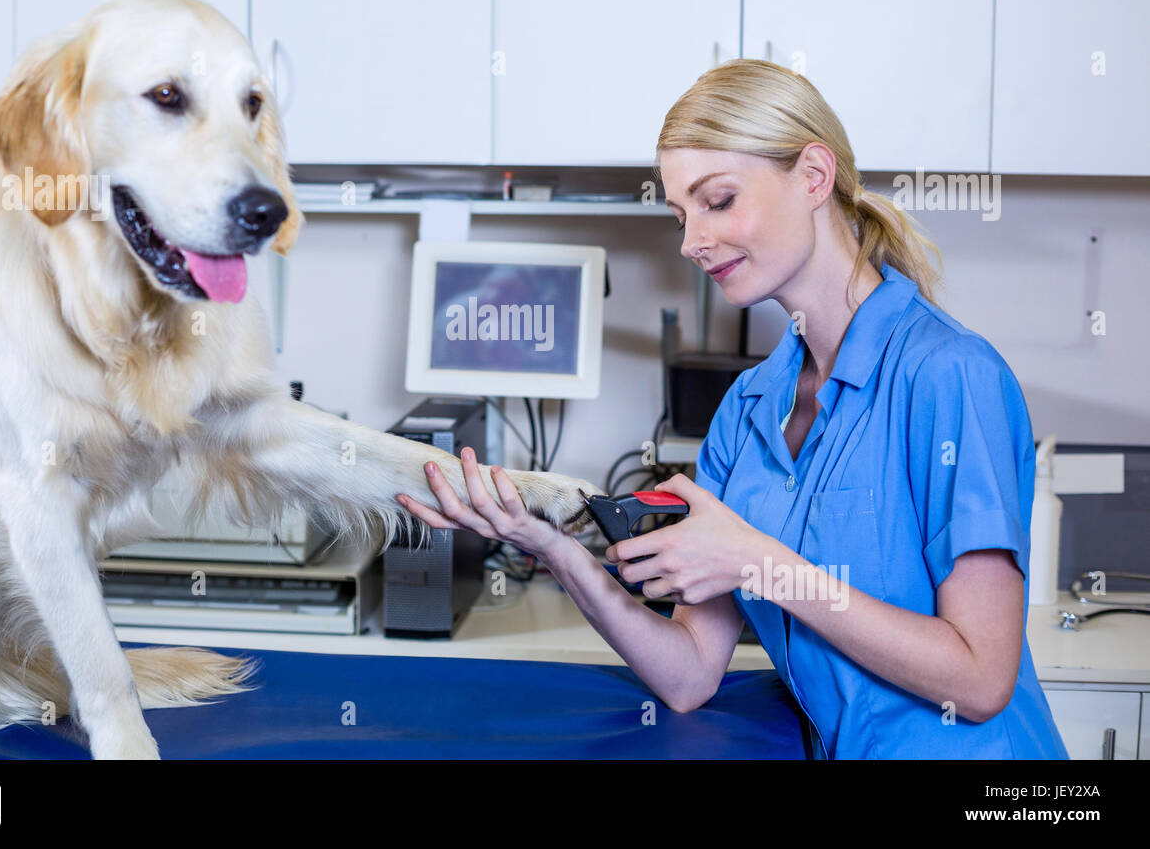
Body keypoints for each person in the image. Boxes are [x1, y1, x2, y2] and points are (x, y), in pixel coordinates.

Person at [395, 59, 1069, 760]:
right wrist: (553, 548)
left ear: (813, 176)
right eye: (681, 216)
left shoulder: (950, 376)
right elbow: (688, 673)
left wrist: (758, 563)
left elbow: (982, 678)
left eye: (717, 201)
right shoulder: (748, 410)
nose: (691, 242)